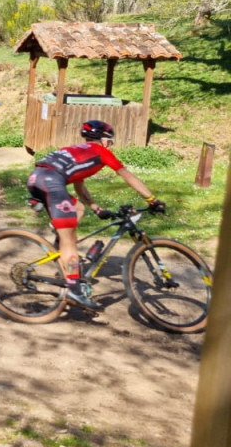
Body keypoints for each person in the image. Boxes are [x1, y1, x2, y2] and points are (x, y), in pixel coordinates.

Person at [27, 119, 166, 310]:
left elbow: (79, 184)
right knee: (70, 241)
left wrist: (95, 207)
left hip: (38, 179)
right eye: (110, 140)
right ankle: (74, 289)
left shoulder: (76, 149)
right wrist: (151, 199)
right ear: (105, 140)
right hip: (51, 182)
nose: (110, 144)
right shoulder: (101, 152)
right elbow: (127, 175)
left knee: (78, 210)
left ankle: (63, 260)